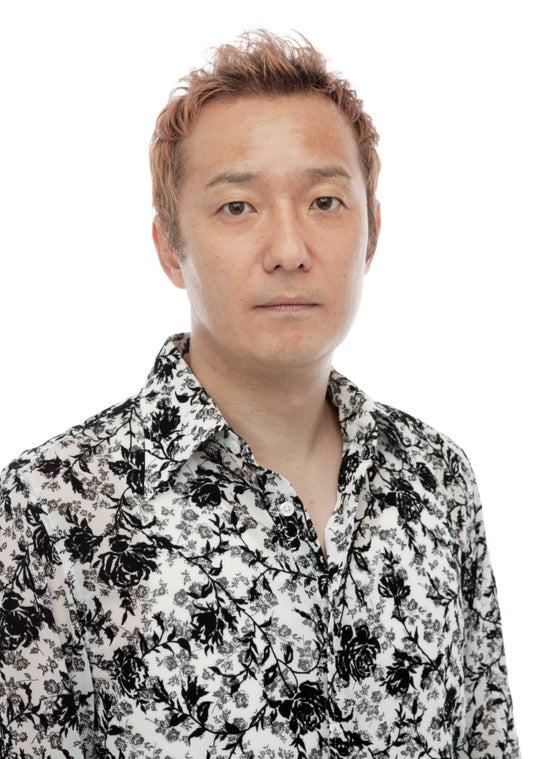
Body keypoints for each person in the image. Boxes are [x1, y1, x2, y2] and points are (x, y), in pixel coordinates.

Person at [0, 30, 519, 759]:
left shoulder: (436, 478)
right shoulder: (55, 504)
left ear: (372, 234)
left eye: (326, 201)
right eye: (238, 207)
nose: (289, 250)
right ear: (169, 246)